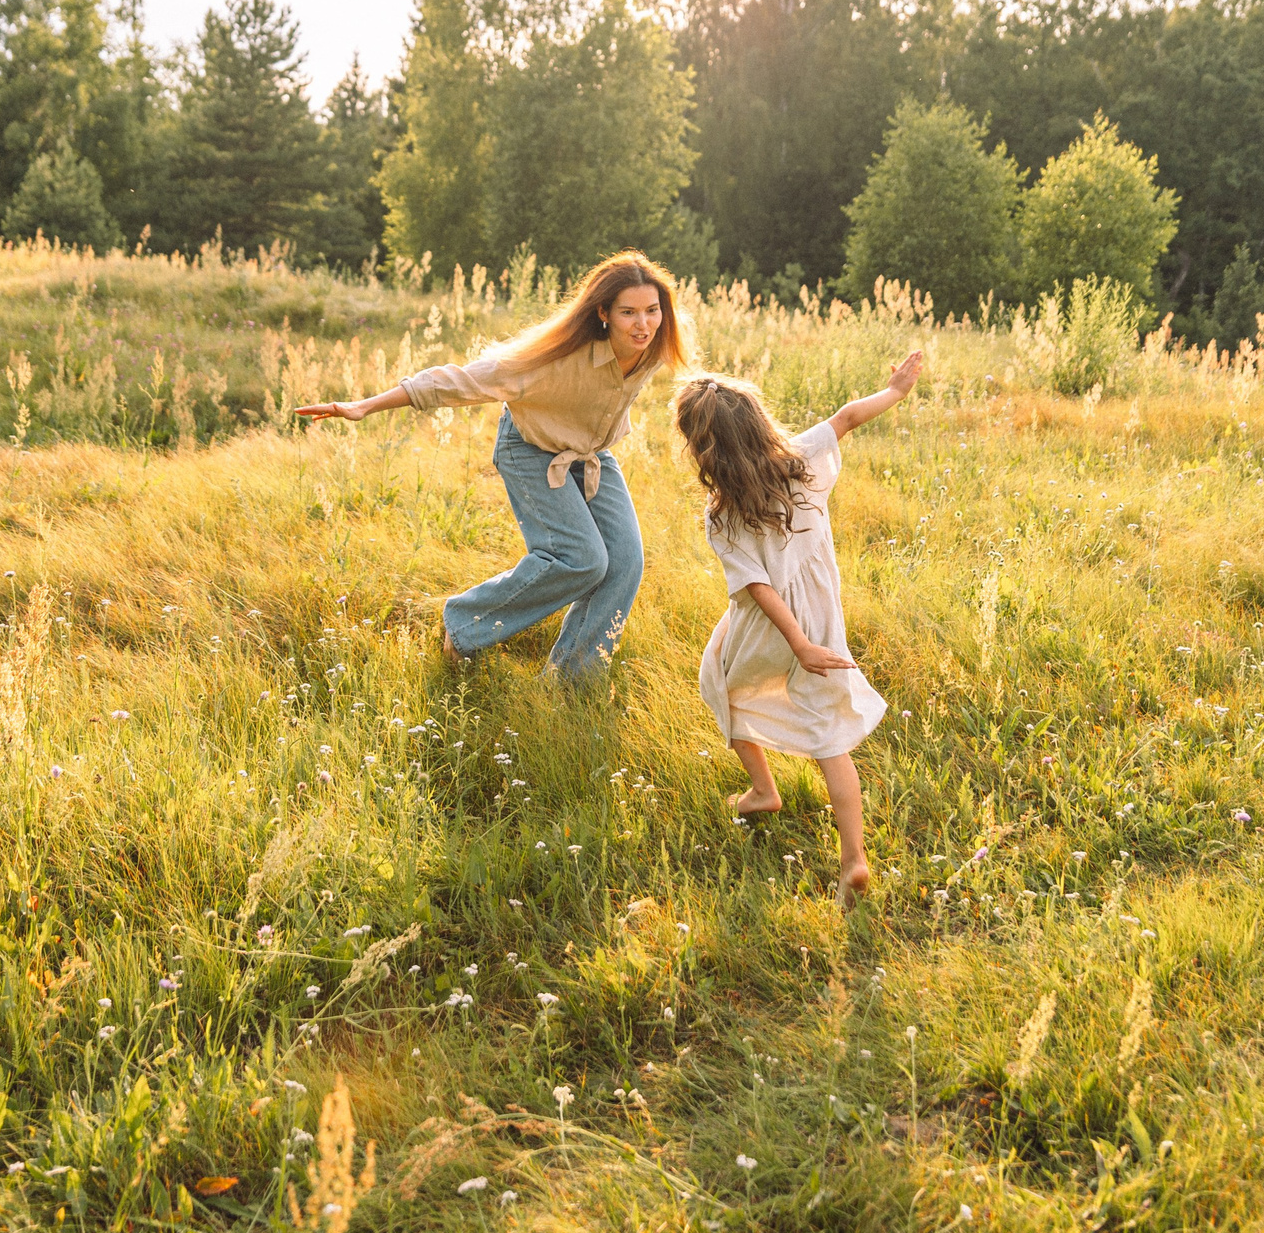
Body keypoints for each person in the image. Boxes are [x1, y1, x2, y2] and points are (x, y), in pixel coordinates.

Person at [294, 251, 693, 678]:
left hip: (591, 455)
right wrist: (364, 406)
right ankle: (465, 623)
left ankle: (572, 681)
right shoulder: (553, 360)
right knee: (582, 559)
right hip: (530, 447)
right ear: (603, 313)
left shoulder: (651, 349)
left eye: (652, 311)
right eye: (628, 313)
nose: (643, 324)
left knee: (626, 561)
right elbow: (460, 380)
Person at [673, 350, 923, 904]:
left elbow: (757, 589)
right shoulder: (802, 458)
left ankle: (763, 789)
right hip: (817, 619)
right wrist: (897, 392)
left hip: (767, 626)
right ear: (760, 424)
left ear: (702, 450)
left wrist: (795, 644)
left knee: (720, 682)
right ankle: (854, 858)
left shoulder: (720, 513)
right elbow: (848, 416)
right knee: (829, 738)